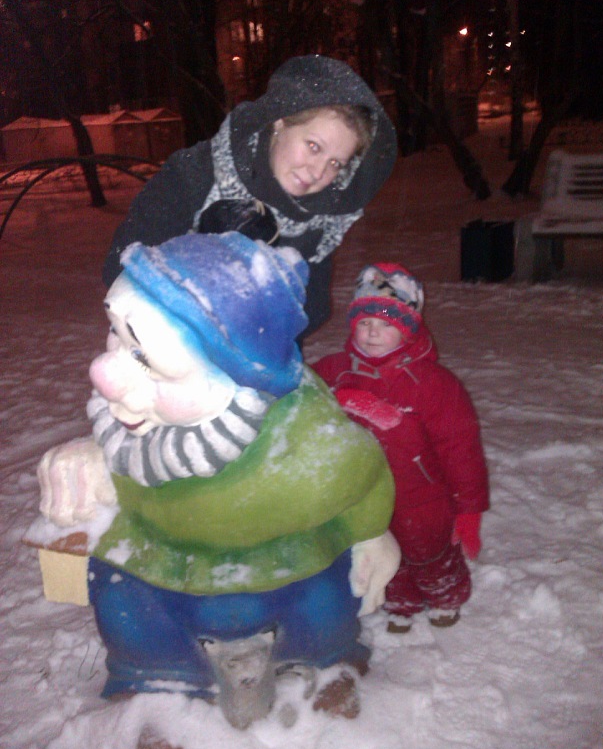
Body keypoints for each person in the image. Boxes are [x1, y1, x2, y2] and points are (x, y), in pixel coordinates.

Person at [102, 55, 397, 338]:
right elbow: (124, 264)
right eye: (314, 146)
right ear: (280, 120)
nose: (318, 171)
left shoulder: (322, 220)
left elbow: (311, 309)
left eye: (335, 163)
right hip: (157, 342)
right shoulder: (197, 174)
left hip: (253, 362)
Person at [312, 263, 490, 631]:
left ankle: (444, 596)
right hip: (363, 494)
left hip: (422, 497)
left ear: (408, 330)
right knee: (381, 548)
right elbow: (298, 400)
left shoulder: (434, 384)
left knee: (429, 553)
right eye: (365, 322)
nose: (372, 333)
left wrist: (469, 510)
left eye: (386, 325)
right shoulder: (333, 372)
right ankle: (400, 603)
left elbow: (461, 451)